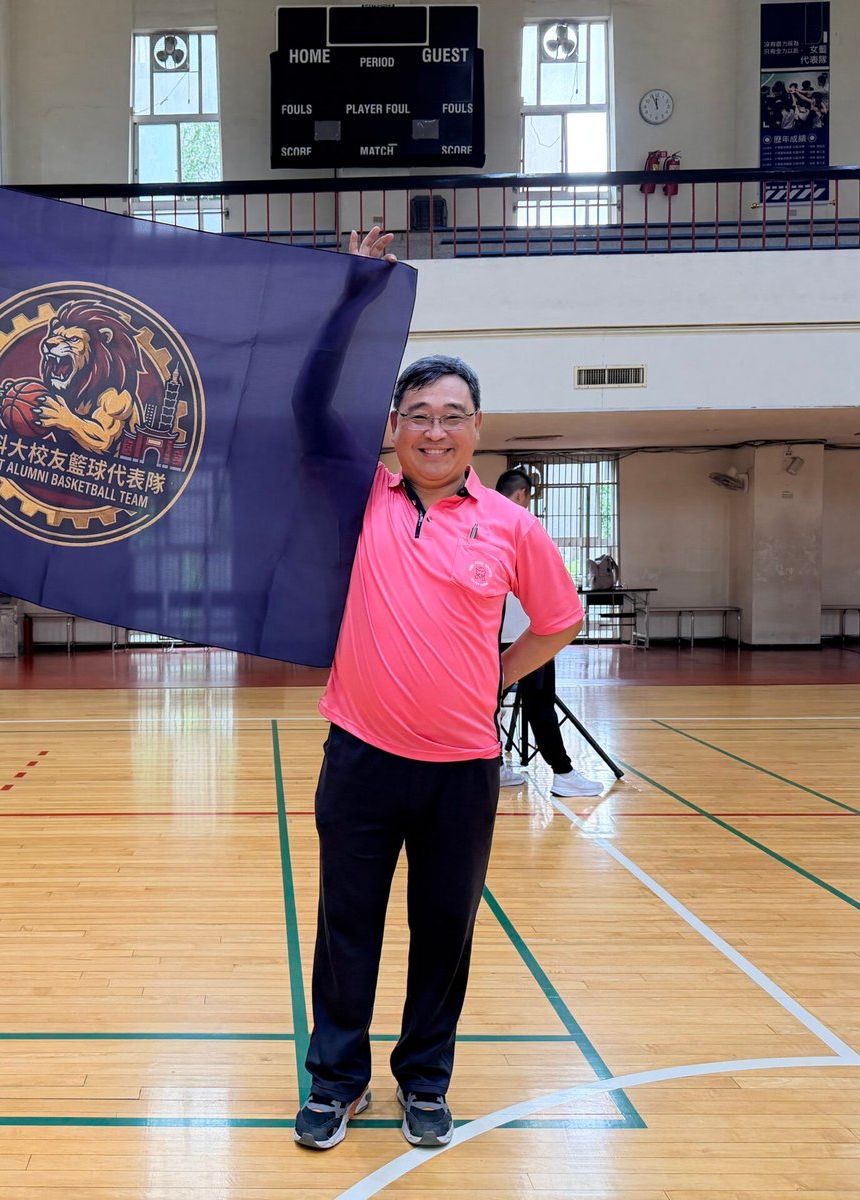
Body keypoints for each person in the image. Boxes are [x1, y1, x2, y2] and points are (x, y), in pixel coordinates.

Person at [293, 227, 584, 1152]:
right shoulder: (362, 499)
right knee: (346, 929)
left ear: (476, 430)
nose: (434, 429)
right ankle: (336, 1081)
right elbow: (309, 407)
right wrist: (354, 295)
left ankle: (425, 1080)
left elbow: (560, 620)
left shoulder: (511, 527)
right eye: (417, 413)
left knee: (443, 933)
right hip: (360, 758)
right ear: (394, 428)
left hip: (461, 769)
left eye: (452, 415)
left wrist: (493, 676)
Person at [493, 468, 605, 798]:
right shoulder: (522, 524)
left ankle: (494, 766)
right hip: (530, 636)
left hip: (493, 634)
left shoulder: (482, 523)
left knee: (487, 704)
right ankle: (563, 773)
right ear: (521, 495)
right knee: (539, 703)